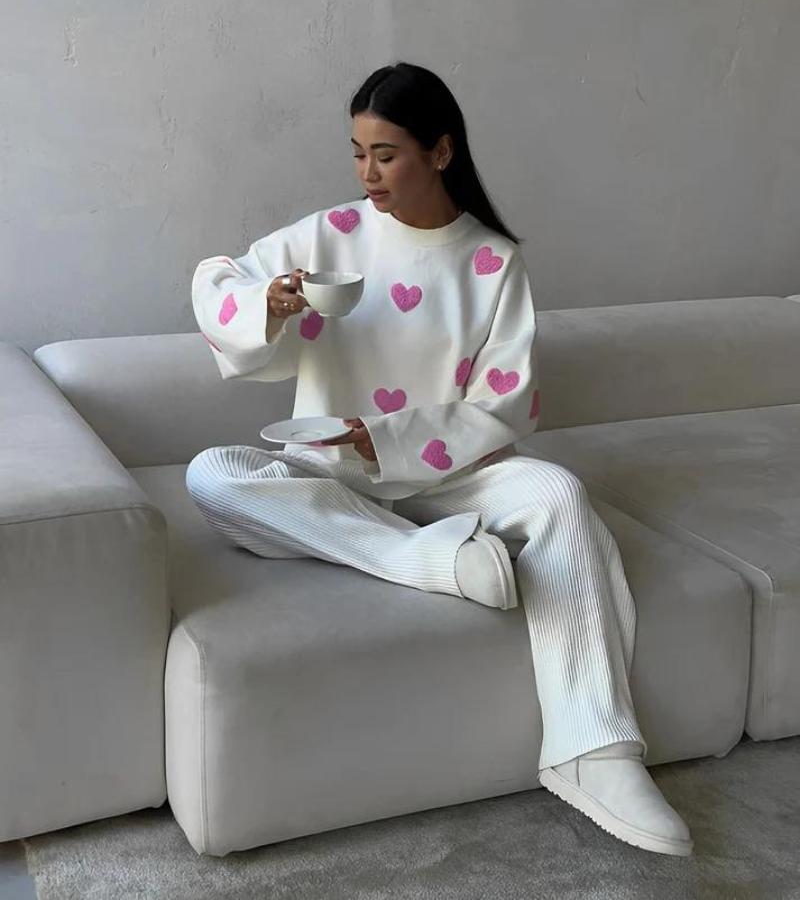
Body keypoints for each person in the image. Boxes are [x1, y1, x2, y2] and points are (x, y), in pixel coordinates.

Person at [186, 61, 693, 857]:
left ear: (441, 152)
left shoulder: (493, 261)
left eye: (386, 155)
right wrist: (267, 305)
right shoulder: (328, 237)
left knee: (559, 494)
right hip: (332, 477)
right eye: (358, 153)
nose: (367, 173)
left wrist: (386, 435)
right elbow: (216, 278)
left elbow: (505, 401)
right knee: (213, 474)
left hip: (457, 477)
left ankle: (594, 750)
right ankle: (426, 559)